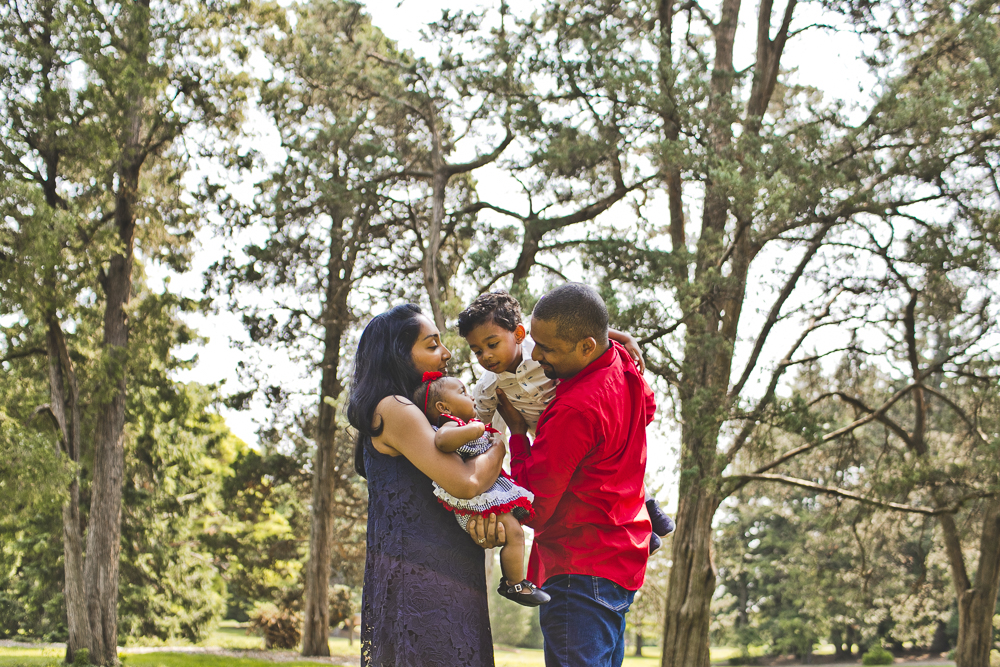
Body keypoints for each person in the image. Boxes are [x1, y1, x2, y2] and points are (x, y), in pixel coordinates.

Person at [468, 283, 657, 667]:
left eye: (548, 349)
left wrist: (519, 437)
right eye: (536, 343)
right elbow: (647, 409)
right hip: (621, 560)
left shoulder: (574, 410)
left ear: (586, 346)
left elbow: (533, 508)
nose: (536, 355)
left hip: (579, 569)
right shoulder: (619, 361)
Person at [347, 304, 504, 667]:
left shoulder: (418, 414)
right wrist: (499, 444)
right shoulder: (395, 407)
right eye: (432, 345)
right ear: (399, 356)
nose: (447, 353)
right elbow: (467, 482)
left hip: (442, 574)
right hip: (421, 586)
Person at [458, 291, 675, 554]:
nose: (486, 356)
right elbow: (483, 428)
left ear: (518, 334)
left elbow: (584, 330)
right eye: (477, 350)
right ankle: (643, 531)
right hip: (549, 435)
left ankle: (649, 512)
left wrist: (623, 337)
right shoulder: (488, 387)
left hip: (573, 421)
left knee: (617, 469)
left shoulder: (538, 351)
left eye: (492, 345)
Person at [412, 372, 550, 606]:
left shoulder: (461, 426)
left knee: (515, 533)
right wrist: (476, 430)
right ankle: (514, 585)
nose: (471, 397)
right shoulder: (449, 426)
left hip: (487, 497)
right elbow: (442, 441)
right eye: (463, 392)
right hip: (477, 503)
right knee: (515, 534)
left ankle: (515, 582)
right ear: (443, 407)